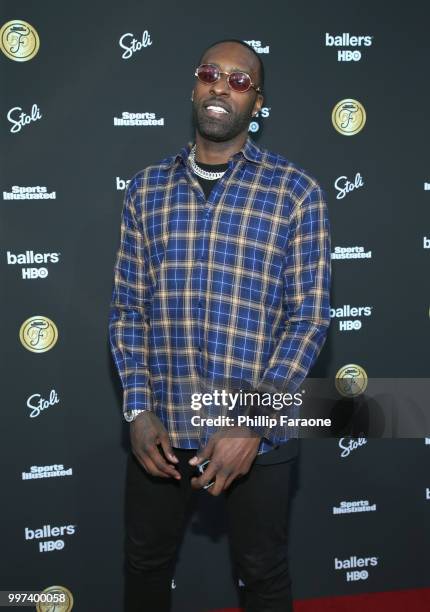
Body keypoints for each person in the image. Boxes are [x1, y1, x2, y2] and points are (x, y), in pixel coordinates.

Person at [109, 38, 331, 612]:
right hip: (163, 434)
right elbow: (129, 310)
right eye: (211, 73)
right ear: (194, 86)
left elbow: (308, 319)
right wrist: (136, 409)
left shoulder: (296, 192)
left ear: (257, 102)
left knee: (262, 576)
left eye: (239, 80)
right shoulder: (145, 191)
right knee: (146, 567)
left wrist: (250, 423)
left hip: (255, 435)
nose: (220, 87)